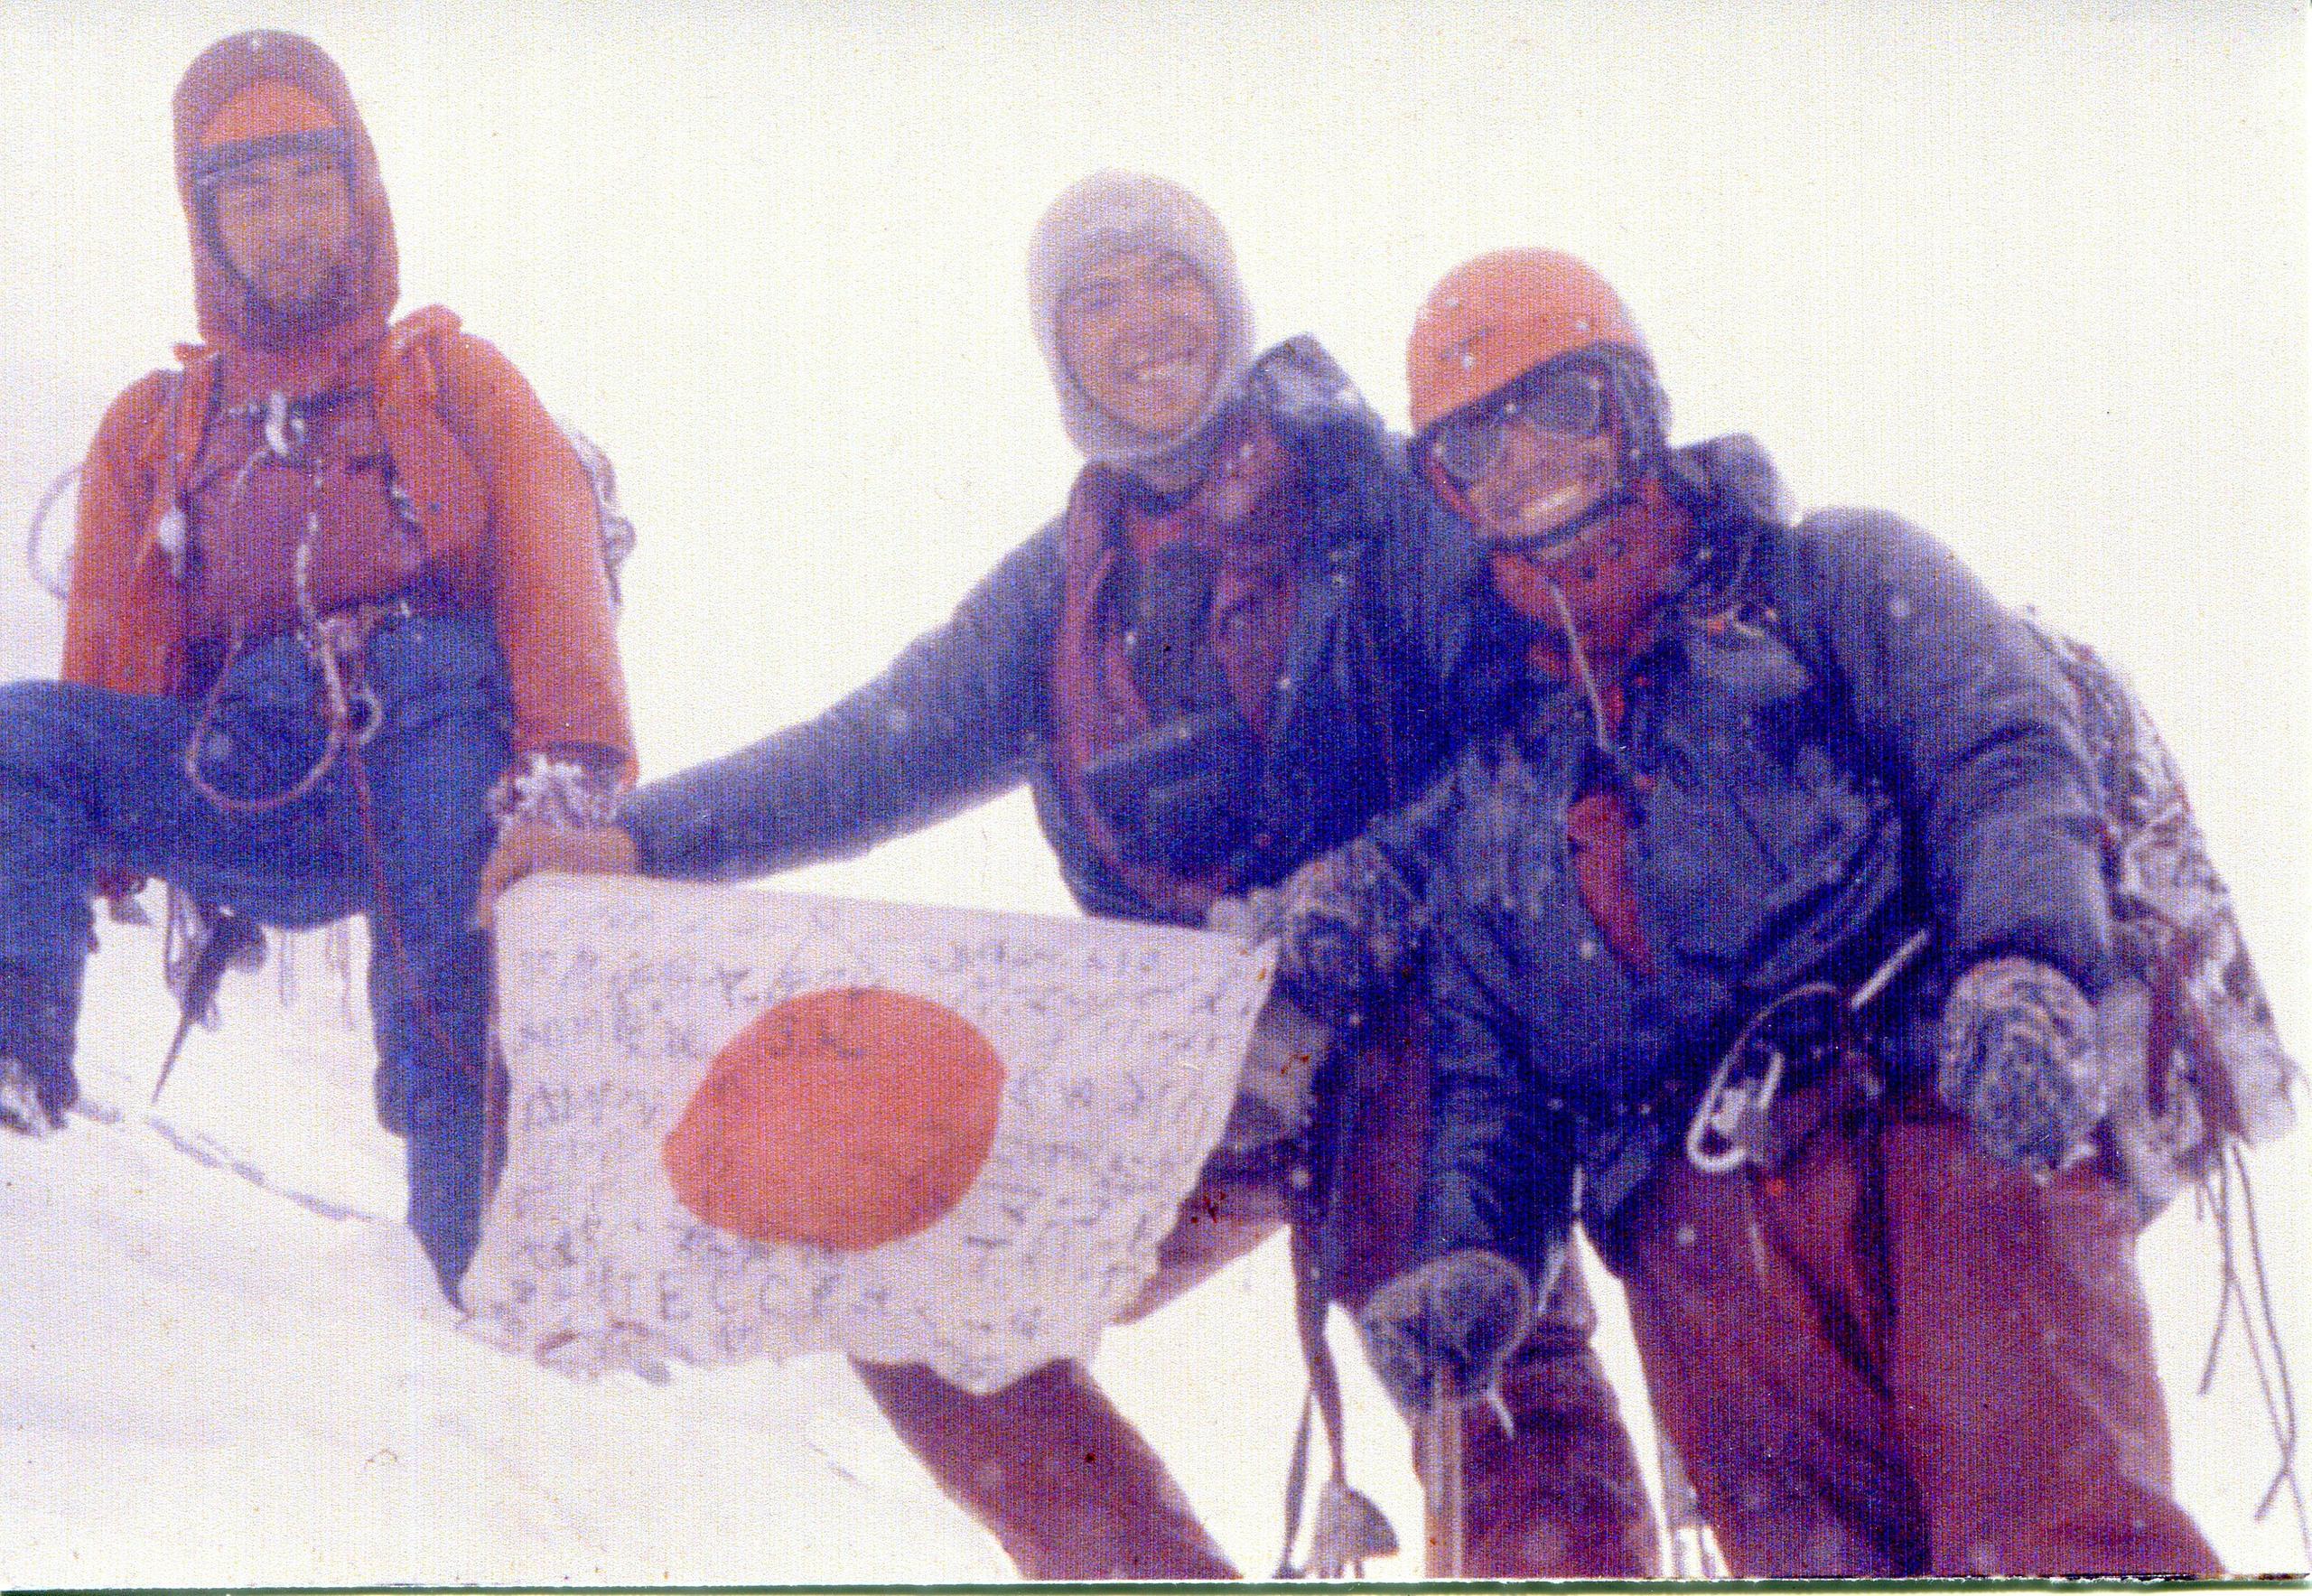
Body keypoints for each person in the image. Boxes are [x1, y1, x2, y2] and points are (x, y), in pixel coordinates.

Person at [480, 174, 1657, 1580]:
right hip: (1190, 1056)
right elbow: (870, 751)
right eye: (1094, 297)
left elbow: (1530, 733)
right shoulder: (1061, 589)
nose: (1143, 321)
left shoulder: (1388, 499)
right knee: (892, 1241)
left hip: (1420, 1014)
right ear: (1058, 351)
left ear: (1228, 303)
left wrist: (1368, 896)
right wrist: (638, 843)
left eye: (1170, 279)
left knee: (1472, 1328)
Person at [1333, 247, 2225, 1576]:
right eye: (1474, 441)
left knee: (2060, 1538)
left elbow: (2003, 757)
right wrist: (1473, 1253)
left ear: (1634, 406)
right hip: (1695, 1248)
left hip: (1938, 1129)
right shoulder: (1496, 789)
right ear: (1448, 491)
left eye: (1559, 403)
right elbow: (1493, 1076)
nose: (1525, 456)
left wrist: (2027, 964)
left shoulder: (1833, 581)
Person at [0, 31, 635, 1305]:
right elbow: (116, 655)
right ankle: (17, 1049)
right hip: (258, 773)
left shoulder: (453, 378)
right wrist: (89, 838)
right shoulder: (160, 424)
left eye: (309, 187)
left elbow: (553, 569)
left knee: (449, 974)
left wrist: (568, 778)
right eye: (249, 194)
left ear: (360, 196)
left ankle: (473, 1274)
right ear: (208, 223)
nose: (285, 223)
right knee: (22, 734)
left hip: (442, 760)